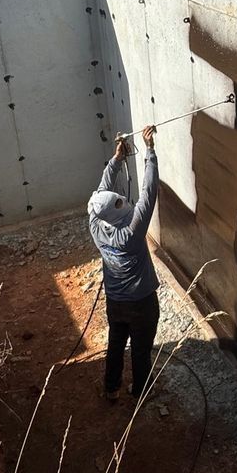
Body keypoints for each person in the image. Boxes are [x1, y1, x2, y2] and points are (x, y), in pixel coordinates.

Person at [87, 125, 159, 403]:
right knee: (141, 349)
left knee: (116, 343)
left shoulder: (96, 222)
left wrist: (117, 159)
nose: (122, 200)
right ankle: (140, 391)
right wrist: (149, 151)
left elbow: (103, 189)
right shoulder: (130, 233)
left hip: (116, 300)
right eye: (119, 204)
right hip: (141, 302)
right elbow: (149, 194)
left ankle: (111, 387)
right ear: (115, 216)